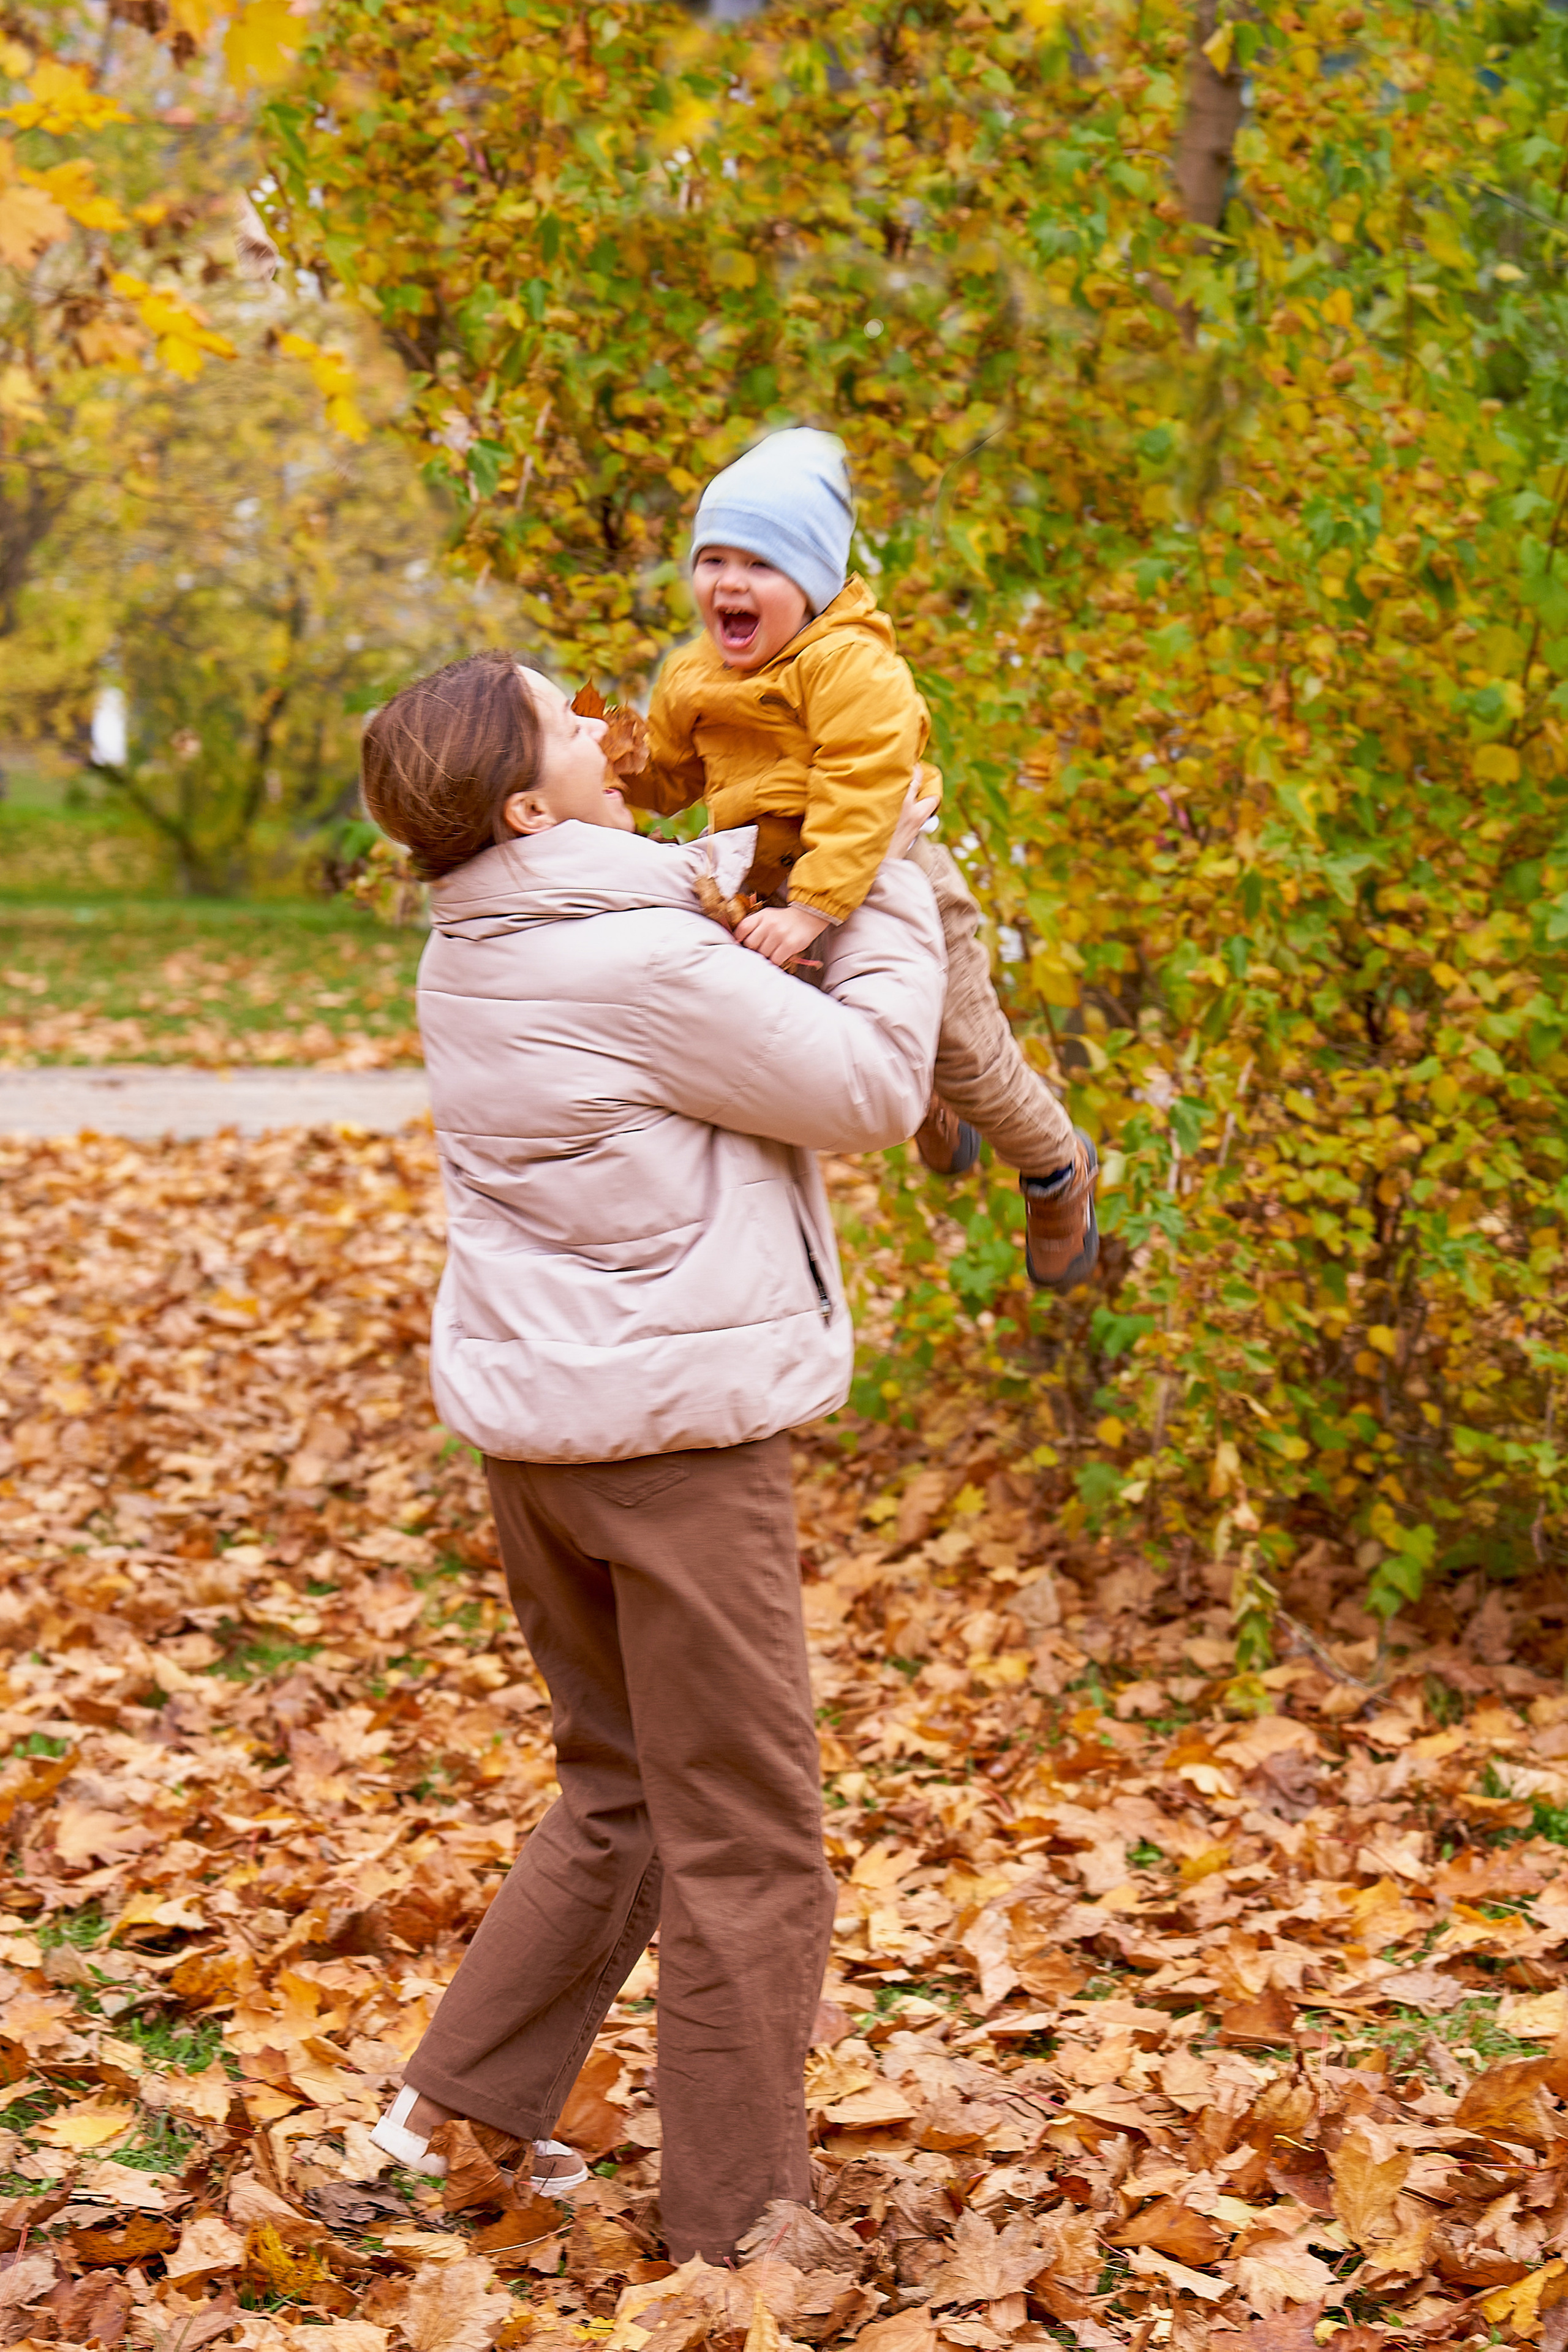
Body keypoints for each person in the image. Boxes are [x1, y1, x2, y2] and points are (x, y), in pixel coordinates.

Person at [355, 648, 945, 2260]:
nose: (606, 724)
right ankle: (740, 2236)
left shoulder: (477, 943)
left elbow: (662, 918)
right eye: (565, 718)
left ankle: (447, 2121)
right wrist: (882, 861)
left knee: (618, 1791)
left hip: (543, 1448)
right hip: (674, 1453)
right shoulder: (628, 963)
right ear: (529, 806)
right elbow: (881, 1085)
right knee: (747, 1835)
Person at [629, 424, 1099, 1291]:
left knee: (966, 1053)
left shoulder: (847, 665)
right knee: (835, 1045)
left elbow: (862, 783)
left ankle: (1055, 1166)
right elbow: (668, 778)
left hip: (891, 880)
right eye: (713, 560)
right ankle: (922, 1092)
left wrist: (814, 908)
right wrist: (606, 764)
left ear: (810, 582)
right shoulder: (693, 678)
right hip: (775, 904)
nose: (730, 582)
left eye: (761, 565)